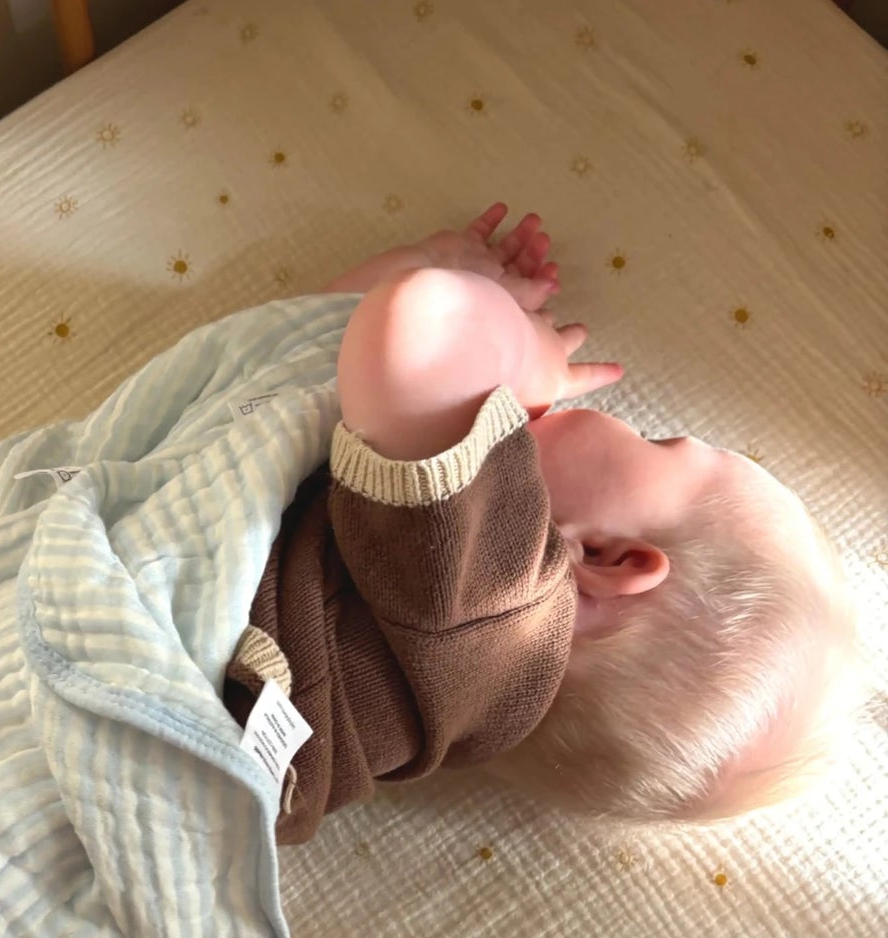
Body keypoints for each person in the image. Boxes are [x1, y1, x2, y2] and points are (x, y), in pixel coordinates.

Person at [224, 204, 856, 843]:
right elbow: (292, 379)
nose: (627, 421)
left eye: (655, 441)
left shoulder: (505, 606)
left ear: (611, 560)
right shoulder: (431, 688)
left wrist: (518, 349)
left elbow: (414, 324)